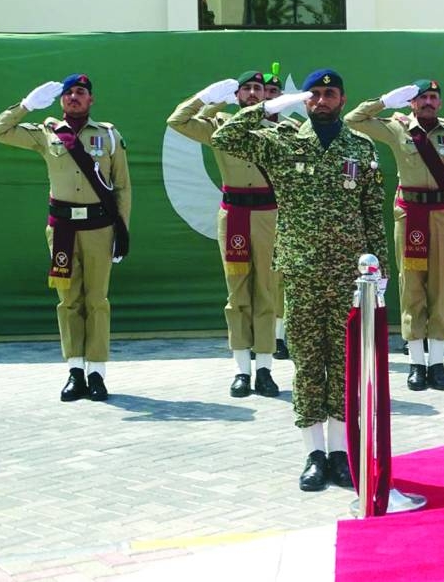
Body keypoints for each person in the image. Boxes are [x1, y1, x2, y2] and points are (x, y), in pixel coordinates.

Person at [211, 68, 390, 492]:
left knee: (344, 366)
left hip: (349, 273)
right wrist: (267, 108)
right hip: (302, 270)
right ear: (304, 101)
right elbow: (225, 139)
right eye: (315, 95)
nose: (322, 100)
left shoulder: (361, 148)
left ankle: (341, 453)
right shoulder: (284, 140)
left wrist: (378, 270)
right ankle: (313, 453)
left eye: (330, 94)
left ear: (343, 100)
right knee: (309, 363)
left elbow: (372, 213)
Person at [0, 74, 131, 402]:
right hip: (62, 229)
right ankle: (75, 371)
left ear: (91, 99)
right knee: (69, 301)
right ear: (61, 100)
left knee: (97, 300)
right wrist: (25, 105)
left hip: (98, 228)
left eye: (80, 92)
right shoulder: (46, 133)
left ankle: (97, 373)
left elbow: (122, 186)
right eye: (68, 93)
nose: (73, 97)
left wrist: (122, 230)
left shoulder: (108, 135)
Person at [167, 68, 286, 399]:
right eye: (245, 89)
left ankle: (264, 368)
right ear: (236, 97)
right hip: (233, 213)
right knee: (237, 293)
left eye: (257, 89)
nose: (251, 93)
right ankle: (241, 370)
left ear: (266, 95)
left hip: (268, 214)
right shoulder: (220, 127)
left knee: (266, 289)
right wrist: (205, 98)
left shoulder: (282, 130)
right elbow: (177, 121)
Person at [344, 79, 444, 392]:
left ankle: (437, 363)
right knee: (411, 286)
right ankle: (416, 362)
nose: (428, 102)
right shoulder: (398, 128)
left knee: (441, 288)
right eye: (421, 98)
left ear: (440, 103)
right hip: (410, 215)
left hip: (443, 217)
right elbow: (353, 119)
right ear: (411, 103)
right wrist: (385, 101)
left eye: (433, 98)